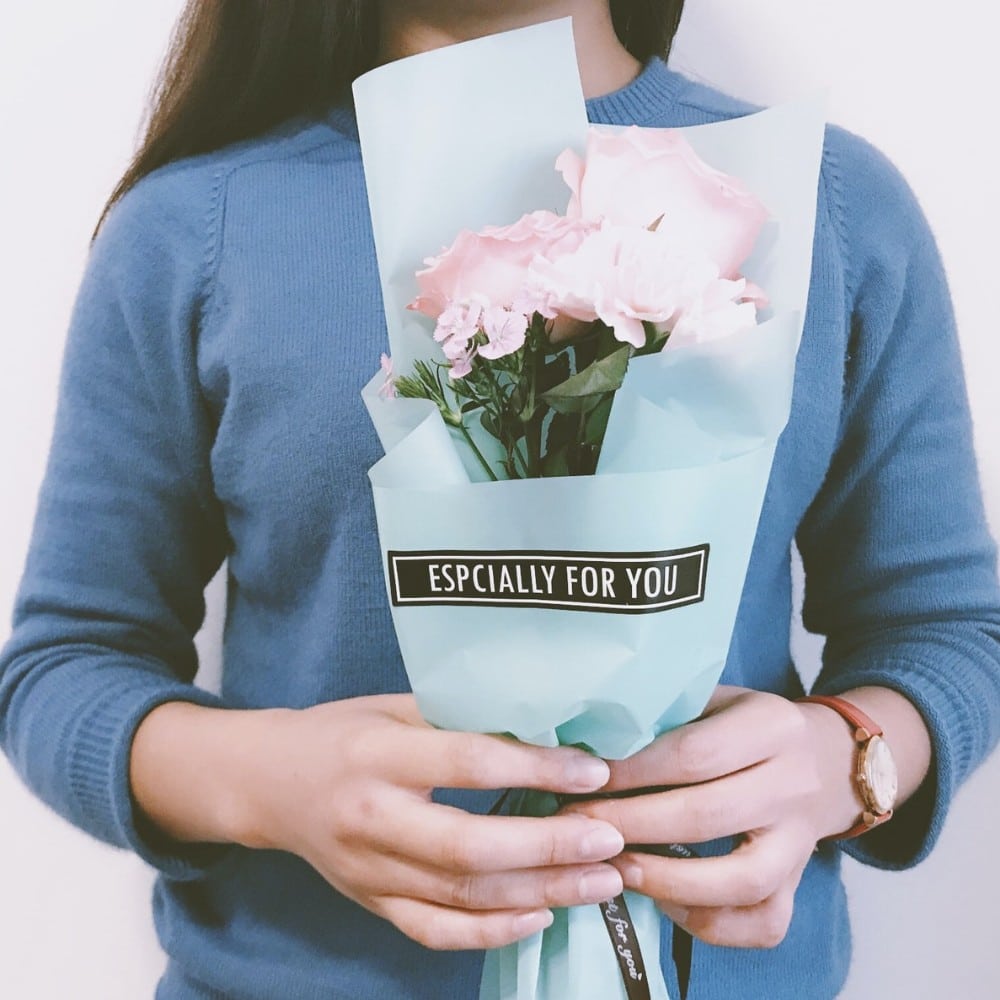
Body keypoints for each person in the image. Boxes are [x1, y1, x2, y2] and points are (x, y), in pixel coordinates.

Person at [1, 1, 998, 998]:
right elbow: (64, 666)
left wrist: (849, 760)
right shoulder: (193, 231)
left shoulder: (829, 202)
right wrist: (274, 785)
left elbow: (949, 630)